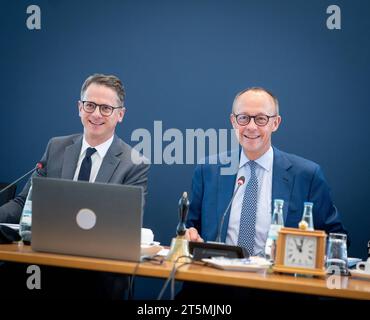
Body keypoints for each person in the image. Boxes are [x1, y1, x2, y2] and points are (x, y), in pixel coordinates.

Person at [178, 87, 347, 300]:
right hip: (215, 285)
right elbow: (190, 227)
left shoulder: (307, 174)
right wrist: (189, 234)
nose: (250, 126)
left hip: (280, 289)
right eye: (243, 118)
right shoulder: (208, 169)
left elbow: (336, 239)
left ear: (275, 123)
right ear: (232, 121)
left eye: (260, 119)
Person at [0, 73, 149, 299]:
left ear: (120, 114)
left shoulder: (134, 163)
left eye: (106, 108)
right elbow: (24, 203)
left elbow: (125, 226)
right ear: (79, 108)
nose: (96, 114)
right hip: (47, 263)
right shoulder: (56, 147)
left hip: (99, 274)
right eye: (90, 105)